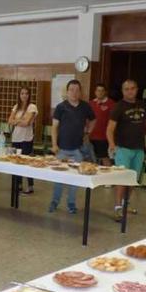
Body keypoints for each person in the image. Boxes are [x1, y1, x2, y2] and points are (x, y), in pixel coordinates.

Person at [106, 79, 146, 222]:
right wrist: (112, 144)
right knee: (122, 179)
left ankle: (125, 204)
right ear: (123, 91)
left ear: (137, 89)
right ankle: (117, 208)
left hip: (138, 149)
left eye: (132, 88)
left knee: (133, 180)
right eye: (126, 89)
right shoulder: (118, 107)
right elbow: (110, 129)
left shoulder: (143, 106)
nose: (130, 91)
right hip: (123, 149)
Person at [49, 79, 95, 214]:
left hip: (77, 150)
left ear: (80, 92)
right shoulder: (61, 107)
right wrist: (54, 145)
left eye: (77, 90)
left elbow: (93, 120)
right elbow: (54, 127)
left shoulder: (85, 107)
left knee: (75, 179)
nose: (74, 93)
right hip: (62, 149)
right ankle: (54, 201)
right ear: (67, 92)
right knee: (59, 178)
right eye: (71, 90)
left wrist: (88, 131)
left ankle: (71, 204)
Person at [8, 86, 38, 194]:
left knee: (27, 162)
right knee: (16, 162)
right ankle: (19, 184)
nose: (24, 95)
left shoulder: (32, 107)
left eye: (26, 93)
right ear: (19, 95)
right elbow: (9, 121)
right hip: (16, 138)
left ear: (29, 95)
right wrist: (20, 120)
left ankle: (30, 186)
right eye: (22, 93)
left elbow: (27, 123)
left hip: (26, 139)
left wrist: (17, 120)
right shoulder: (16, 107)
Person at [89, 83, 115, 166]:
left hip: (103, 137)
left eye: (102, 91)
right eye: (98, 90)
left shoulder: (111, 104)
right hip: (91, 136)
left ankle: (109, 177)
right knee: (91, 158)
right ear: (95, 92)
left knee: (105, 158)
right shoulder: (90, 103)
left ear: (105, 92)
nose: (100, 92)